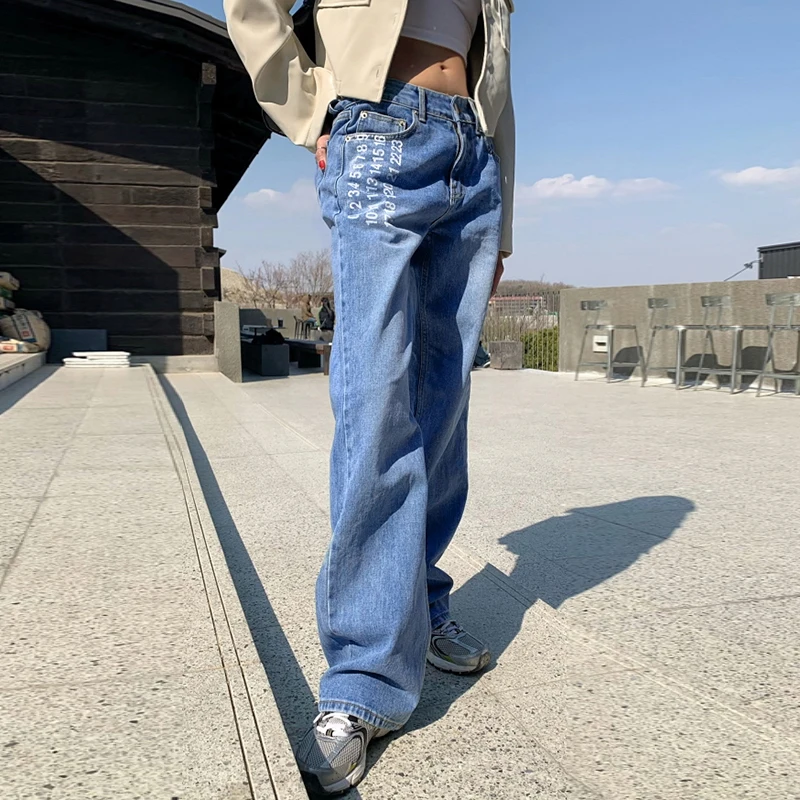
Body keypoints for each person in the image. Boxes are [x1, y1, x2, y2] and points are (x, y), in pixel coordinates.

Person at [224, 0, 515, 794]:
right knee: (377, 399)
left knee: (444, 407)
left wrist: (506, 218)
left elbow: (498, 77)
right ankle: (362, 678)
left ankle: (416, 603)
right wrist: (312, 109)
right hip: (378, 127)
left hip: (473, 155)